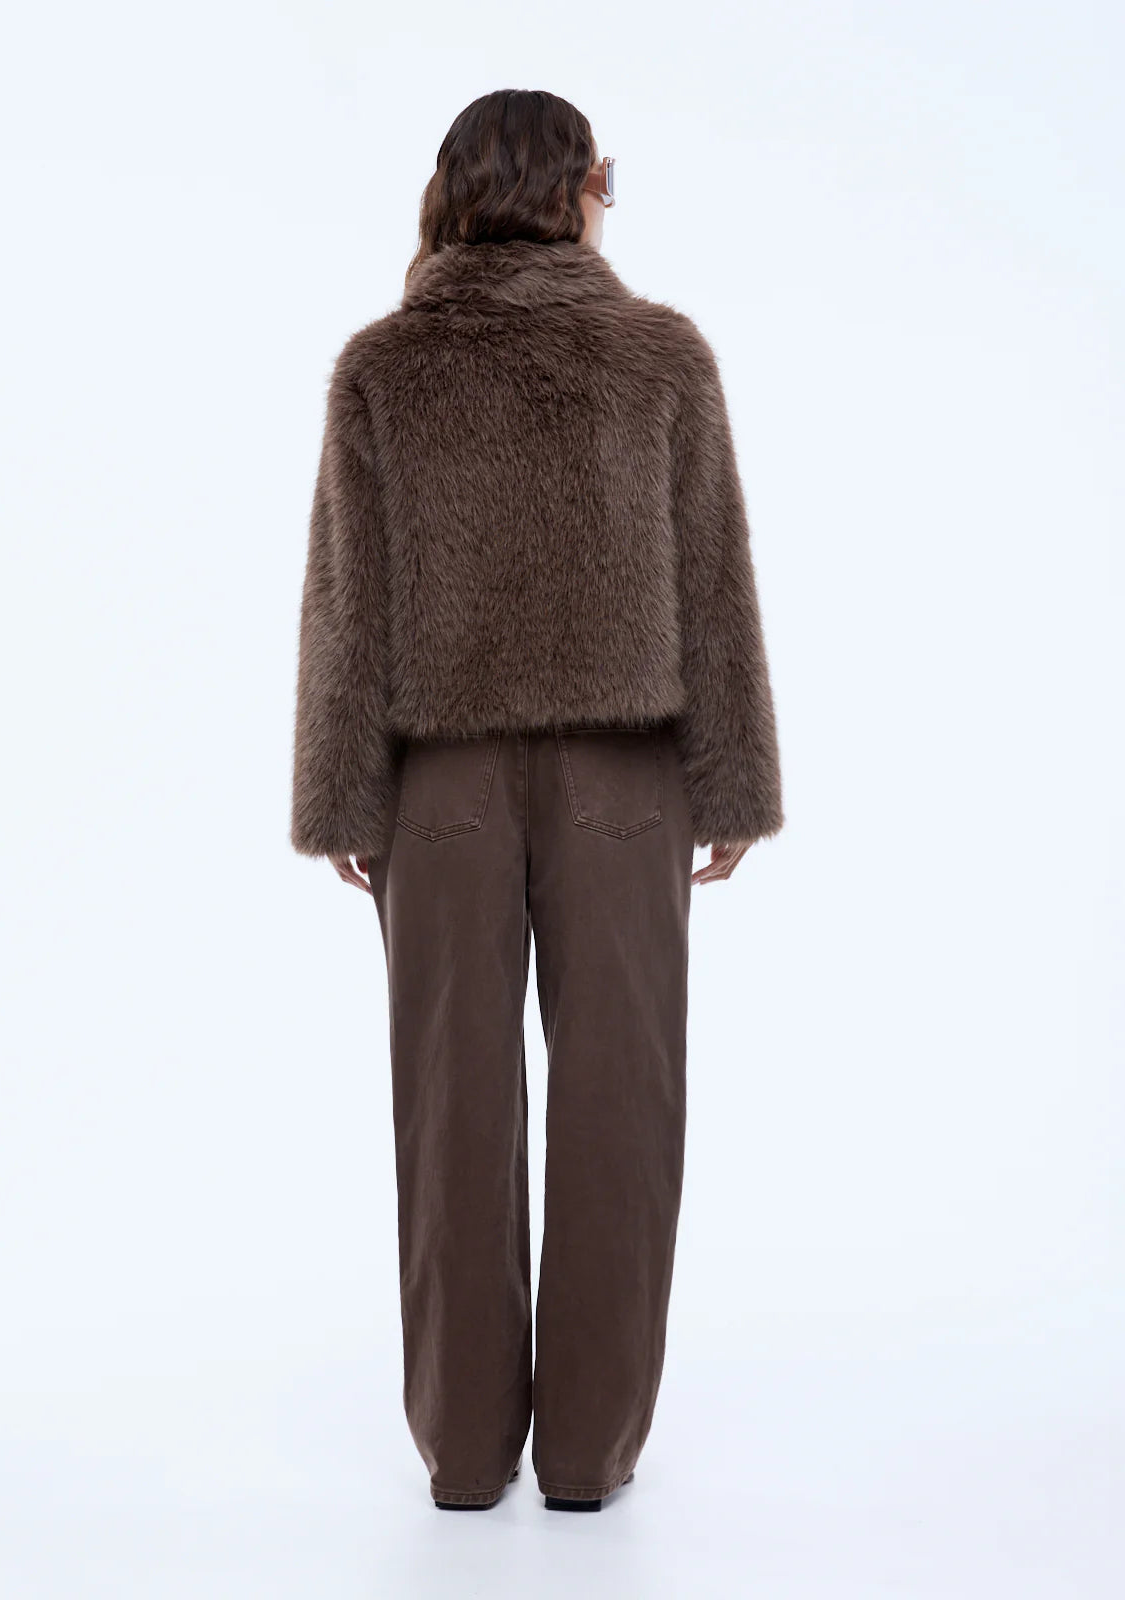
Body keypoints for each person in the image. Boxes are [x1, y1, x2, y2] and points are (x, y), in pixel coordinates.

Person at [290, 88, 783, 1513]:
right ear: (578, 190)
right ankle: (585, 1456)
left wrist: (344, 799)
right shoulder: (660, 356)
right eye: (604, 180)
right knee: (625, 1096)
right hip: (625, 771)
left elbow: (348, 606)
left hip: (437, 775)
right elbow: (714, 585)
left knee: (448, 1102)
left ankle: (462, 1454)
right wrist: (733, 778)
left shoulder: (385, 366)